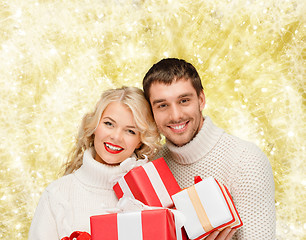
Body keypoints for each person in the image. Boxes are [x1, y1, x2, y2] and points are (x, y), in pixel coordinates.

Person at [142, 58, 276, 240]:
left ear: (201, 100)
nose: (176, 115)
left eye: (183, 100)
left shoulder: (246, 161)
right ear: (151, 111)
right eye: (163, 105)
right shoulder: (151, 166)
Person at [28, 86, 161, 239]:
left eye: (130, 131)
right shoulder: (57, 195)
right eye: (109, 124)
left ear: (140, 141)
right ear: (95, 126)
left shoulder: (149, 195)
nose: (116, 137)